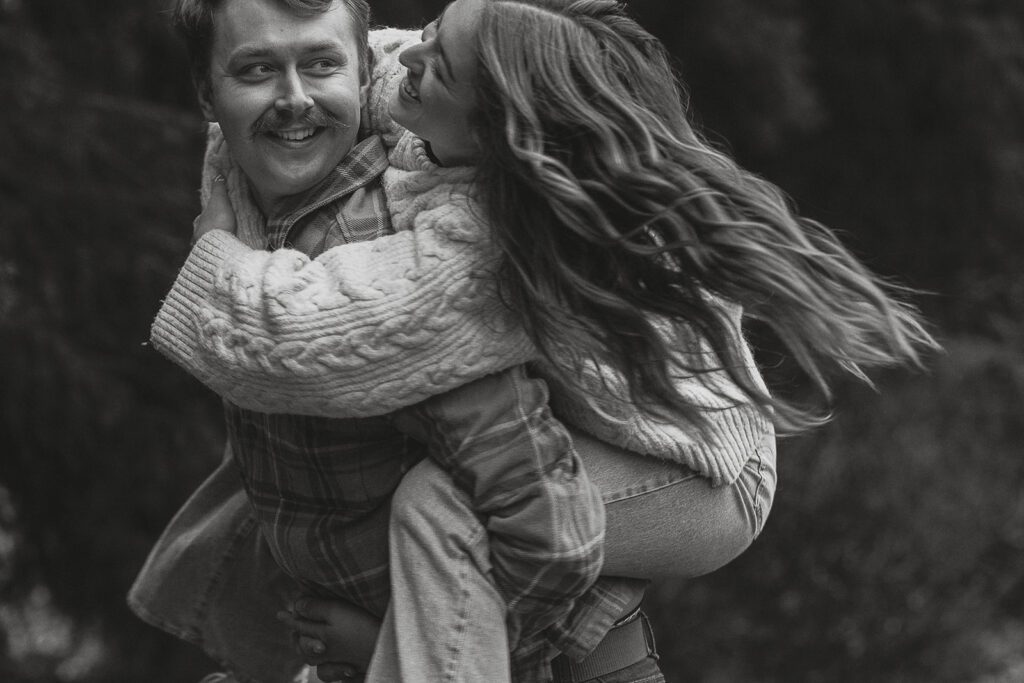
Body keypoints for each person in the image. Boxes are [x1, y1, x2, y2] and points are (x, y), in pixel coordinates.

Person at [130, 2, 935, 683]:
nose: (407, 58)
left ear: (488, 122)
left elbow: (291, 335)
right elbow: (360, 56)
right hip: (605, 480)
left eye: (434, 65)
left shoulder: (467, 257)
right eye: (256, 71)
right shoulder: (428, 110)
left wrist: (218, 257)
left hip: (701, 465)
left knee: (442, 508)